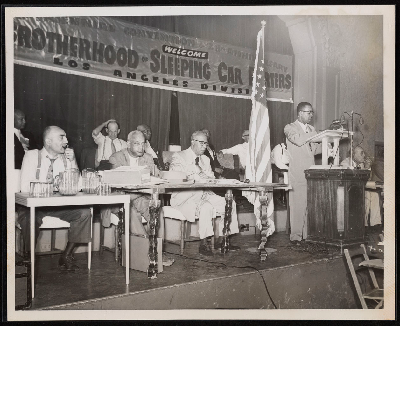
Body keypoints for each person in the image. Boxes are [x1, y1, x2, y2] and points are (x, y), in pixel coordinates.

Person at [18, 126, 92, 271]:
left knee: (84, 213)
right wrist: (56, 186)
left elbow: (78, 186)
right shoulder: (32, 156)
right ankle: (29, 258)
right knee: (29, 218)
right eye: (61, 137)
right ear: (48, 141)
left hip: (57, 206)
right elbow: (26, 187)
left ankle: (66, 255)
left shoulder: (66, 158)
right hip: (34, 207)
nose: (66, 140)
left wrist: (73, 162)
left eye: (65, 137)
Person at [169, 130, 240, 256]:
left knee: (229, 203)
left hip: (204, 193)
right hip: (185, 196)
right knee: (206, 207)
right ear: (192, 142)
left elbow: (210, 178)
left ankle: (223, 238)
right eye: (201, 143)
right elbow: (177, 176)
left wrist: (200, 173)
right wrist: (197, 172)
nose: (204, 147)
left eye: (206, 144)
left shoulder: (206, 159)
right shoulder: (179, 156)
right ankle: (204, 243)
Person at [105, 130, 163, 237]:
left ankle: (157, 244)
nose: (141, 147)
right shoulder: (116, 157)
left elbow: (157, 176)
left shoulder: (148, 158)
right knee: (130, 212)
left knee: (155, 209)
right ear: (128, 144)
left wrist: (154, 174)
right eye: (137, 143)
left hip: (140, 197)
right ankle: (144, 247)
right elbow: (118, 184)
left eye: (143, 144)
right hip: (120, 198)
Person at [284, 102, 322, 242]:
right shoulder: (290, 127)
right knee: (297, 206)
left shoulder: (311, 129)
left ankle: (306, 237)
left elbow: (314, 150)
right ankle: (295, 237)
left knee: (308, 205)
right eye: (308, 112)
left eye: (312, 112)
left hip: (310, 173)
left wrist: (329, 144)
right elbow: (298, 140)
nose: (311, 115)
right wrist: (316, 134)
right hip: (297, 172)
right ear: (299, 113)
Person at [340, 146, 382, 227]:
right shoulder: (345, 163)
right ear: (353, 155)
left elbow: (368, 179)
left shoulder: (362, 164)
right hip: (348, 190)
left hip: (359, 188)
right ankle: (363, 225)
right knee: (366, 196)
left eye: (364, 153)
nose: (364, 156)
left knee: (375, 195)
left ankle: (375, 223)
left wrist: (367, 168)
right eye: (361, 153)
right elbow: (351, 179)